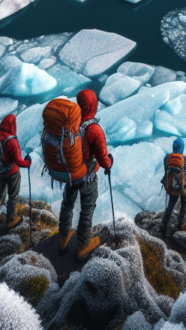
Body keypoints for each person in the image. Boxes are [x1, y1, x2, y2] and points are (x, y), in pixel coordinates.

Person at [58, 89, 113, 259]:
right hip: (87, 177)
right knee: (87, 209)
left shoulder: (69, 124)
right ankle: (83, 245)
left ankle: (63, 238)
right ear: (93, 105)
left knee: (67, 204)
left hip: (70, 174)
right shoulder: (94, 129)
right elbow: (104, 160)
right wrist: (109, 163)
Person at [0, 114, 31, 233]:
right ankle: (11, 218)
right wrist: (28, 162)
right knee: (12, 196)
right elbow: (19, 161)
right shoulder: (12, 141)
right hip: (13, 172)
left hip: (1, 172)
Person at [160, 138, 186, 237]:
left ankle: (163, 228)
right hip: (183, 189)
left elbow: (166, 171)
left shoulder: (167, 158)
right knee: (183, 205)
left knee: (170, 207)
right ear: (182, 148)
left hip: (171, 187)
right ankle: (179, 226)